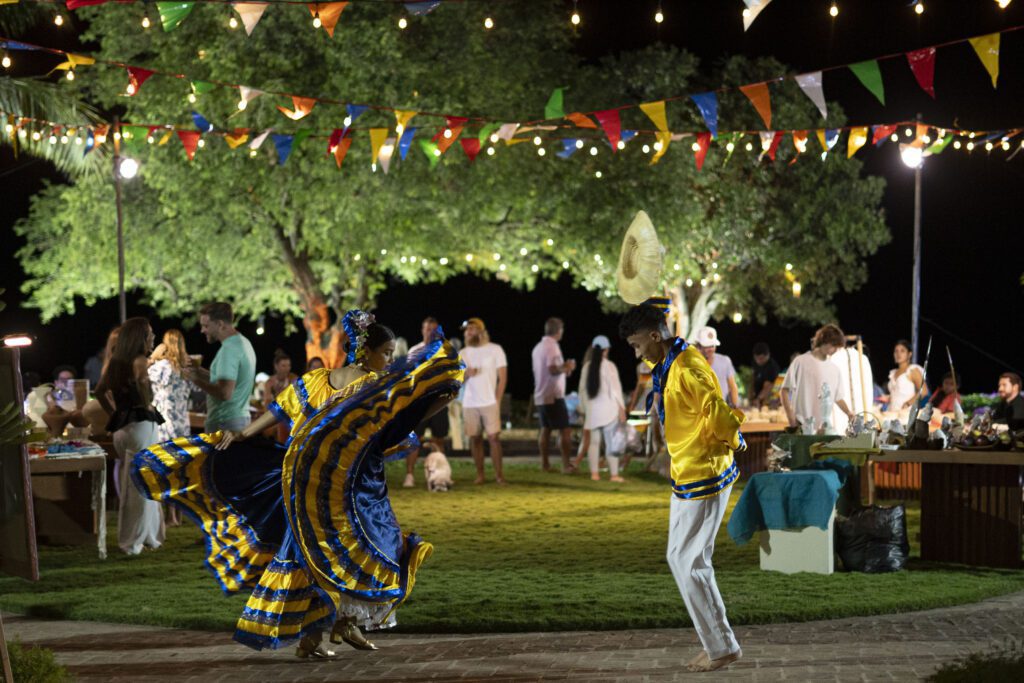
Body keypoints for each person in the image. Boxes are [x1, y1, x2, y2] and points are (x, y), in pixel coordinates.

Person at [134, 310, 430, 658]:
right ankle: (336, 624)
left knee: (318, 553)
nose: (390, 359)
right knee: (372, 546)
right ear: (365, 350)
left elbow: (279, 409)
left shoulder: (320, 379)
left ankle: (321, 632)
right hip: (346, 489)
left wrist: (244, 432)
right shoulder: (369, 389)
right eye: (386, 352)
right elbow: (393, 431)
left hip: (311, 481)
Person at [619, 304, 743, 673]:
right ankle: (718, 643)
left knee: (691, 563)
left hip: (705, 473)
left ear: (655, 336)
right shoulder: (670, 363)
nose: (636, 352)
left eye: (637, 343)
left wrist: (735, 439)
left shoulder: (687, 366)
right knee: (681, 559)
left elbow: (716, 409)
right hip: (687, 472)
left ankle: (722, 646)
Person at [96, 317, 165, 556]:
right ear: (140, 337)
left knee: (131, 483)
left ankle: (147, 537)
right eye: (150, 334)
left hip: (122, 429)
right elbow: (145, 390)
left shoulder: (114, 362)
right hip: (141, 426)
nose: (154, 337)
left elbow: (99, 391)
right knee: (142, 486)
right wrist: (146, 400)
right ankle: (132, 542)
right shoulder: (139, 361)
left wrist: (114, 413)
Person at [184, 302, 257, 433]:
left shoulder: (229, 350)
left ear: (220, 324)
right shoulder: (243, 342)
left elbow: (224, 393)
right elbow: (224, 381)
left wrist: (195, 379)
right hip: (239, 419)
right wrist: (198, 371)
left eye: (206, 326)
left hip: (225, 423)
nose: (202, 330)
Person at [148, 330, 195, 528]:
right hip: (182, 422)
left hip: (164, 422)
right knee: (180, 469)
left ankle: (170, 516)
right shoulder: (187, 368)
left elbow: (141, 374)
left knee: (164, 469)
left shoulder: (160, 367)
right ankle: (179, 514)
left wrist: (153, 356)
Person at [781, 324, 855, 434]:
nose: (835, 350)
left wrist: (848, 412)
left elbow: (837, 397)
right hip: (801, 426)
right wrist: (791, 418)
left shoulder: (834, 370)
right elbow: (784, 391)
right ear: (824, 340)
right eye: (833, 345)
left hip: (822, 429)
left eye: (837, 347)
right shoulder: (800, 362)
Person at [459, 317, 508, 485]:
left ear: (480, 331)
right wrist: (466, 374)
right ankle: (480, 475)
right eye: (466, 330)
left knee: (494, 438)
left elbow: (503, 377)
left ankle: (499, 475)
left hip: (489, 402)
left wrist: (498, 399)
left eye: (471, 329)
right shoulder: (462, 354)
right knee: (475, 439)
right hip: (470, 403)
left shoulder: (495, 350)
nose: (467, 333)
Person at [406, 317, 449, 487]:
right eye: (426, 328)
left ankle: (441, 476)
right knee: (415, 439)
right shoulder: (414, 351)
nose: (429, 331)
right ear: (422, 330)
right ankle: (409, 475)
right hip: (420, 404)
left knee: (439, 440)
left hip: (439, 403)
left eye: (433, 329)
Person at [577, 335, 626, 482]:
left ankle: (594, 474)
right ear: (607, 349)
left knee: (594, 443)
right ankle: (614, 475)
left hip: (593, 411)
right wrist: (621, 409)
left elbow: (582, 390)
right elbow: (616, 389)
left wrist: (585, 409)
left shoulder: (587, 366)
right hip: (609, 410)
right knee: (611, 443)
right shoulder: (610, 366)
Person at [531, 317, 577, 473]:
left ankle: (545, 464)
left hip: (541, 394)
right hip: (553, 395)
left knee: (546, 429)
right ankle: (566, 466)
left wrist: (564, 369)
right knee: (565, 430)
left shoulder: (538, 347)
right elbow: (552, 369)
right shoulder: (552, 346)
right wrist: (567, 366)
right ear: (559, 330)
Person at [695, 327, 739, 407]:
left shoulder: (725, 361)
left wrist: (735, 407)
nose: (711, 349)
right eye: (707, 346)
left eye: (712, 345)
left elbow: (733, 387)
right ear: (698, 346)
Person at [263, 349, 298, 444]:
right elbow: (267, 404)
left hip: (292, 416)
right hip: (275, 417)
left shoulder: (293, 378)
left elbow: (298, 401)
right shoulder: (270, 383)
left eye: (288, 365)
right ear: (276, 367)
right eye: (283, 366)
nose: (287, 369)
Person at [884, 339, 926, 416]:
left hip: (906, 413)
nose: (898, 354)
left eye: (902, 351)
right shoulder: (893, 373)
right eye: (896, 351)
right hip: (892, 412)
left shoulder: (912, 370)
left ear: (909, 354)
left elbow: (923, 391)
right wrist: (888, 398)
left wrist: (908, 403)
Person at [751, 342, 781, 408]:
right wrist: (751, 396)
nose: (759, 361)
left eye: (761, 358)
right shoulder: (755, 363)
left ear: (768, 355)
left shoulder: (772, 367)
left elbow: (769, 386)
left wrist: (758, 399)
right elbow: (753, 379)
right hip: (758, 399)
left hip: (770, 399)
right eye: (757, 358)